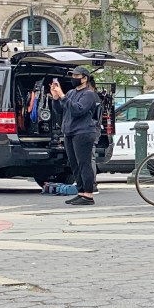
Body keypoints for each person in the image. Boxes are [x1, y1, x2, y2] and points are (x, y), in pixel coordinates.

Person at [49, 67, 101, 206]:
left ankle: (88, 194)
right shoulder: (71, 93)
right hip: (70, 132)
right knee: (74, 164)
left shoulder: (89, 94)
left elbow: (78, 110)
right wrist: (55, 98)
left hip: (83, 132)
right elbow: (60, 110)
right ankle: (81, 192)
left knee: (84, 163)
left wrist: (62, 96)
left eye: (77, 76)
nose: (73, 78)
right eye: (72, 76)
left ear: (84, 78)